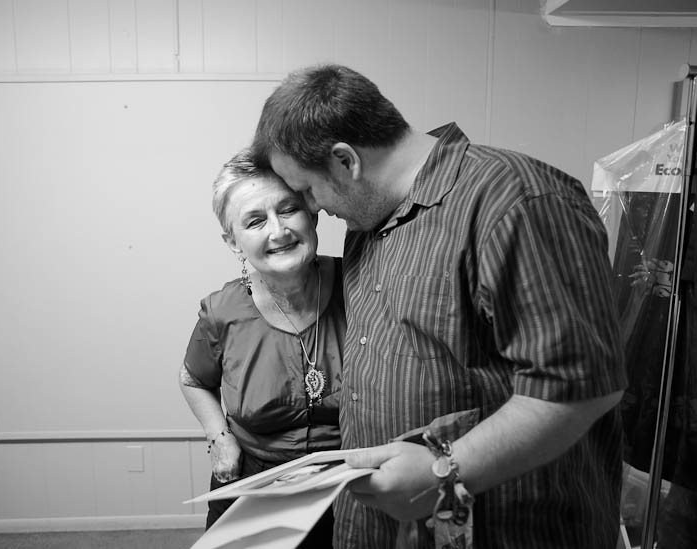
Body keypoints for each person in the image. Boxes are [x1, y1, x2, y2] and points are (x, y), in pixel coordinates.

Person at [251, 64, 628, 548]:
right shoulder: (368, 224)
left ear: (346, 161)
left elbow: (580, 386)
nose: (314, 207)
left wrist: (443, 472)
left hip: (511, 530)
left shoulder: (516, 200)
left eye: (307, 189)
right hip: (389, 532)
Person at [179, 149, 346, 547]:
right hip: (255, 481)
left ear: (311, 212)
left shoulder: (358, 285)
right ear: (234, 242)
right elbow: (192, 378)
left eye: (288, 210)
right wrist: (221, 440)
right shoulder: (221, 311)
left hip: (348, 485)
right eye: (255, 221)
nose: (278, 231)